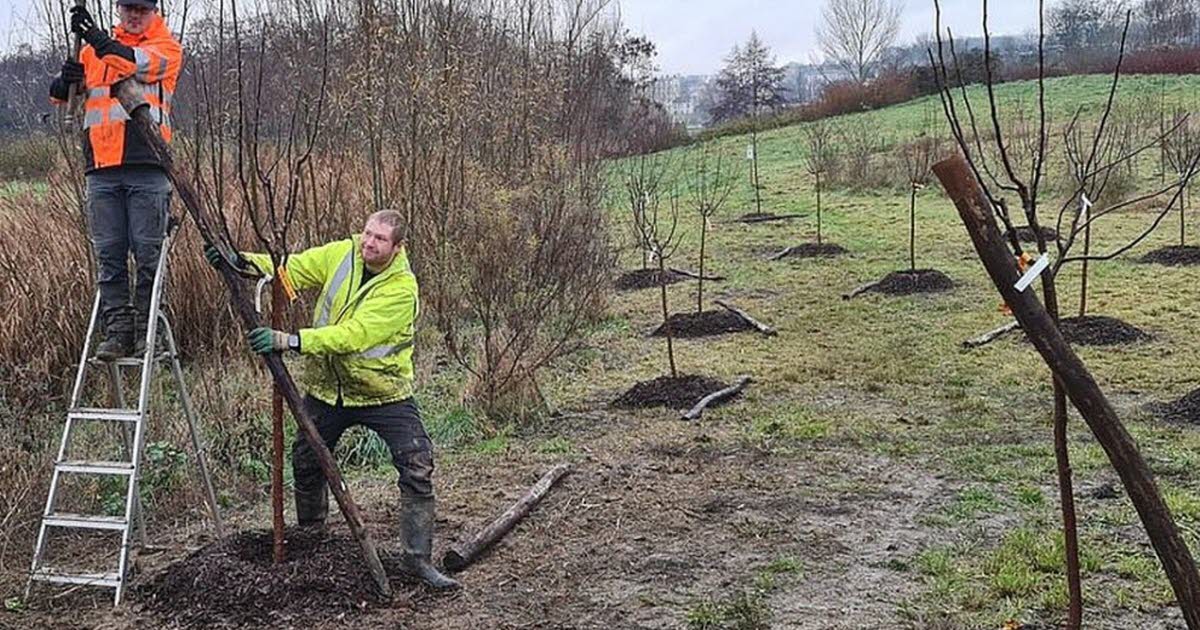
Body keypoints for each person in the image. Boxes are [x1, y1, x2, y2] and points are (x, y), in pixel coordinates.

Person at [205, 210, 459, 590]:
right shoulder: (343, 253)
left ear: (398, 247)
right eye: (367, 233)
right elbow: (293, 269)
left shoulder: (402, 289)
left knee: (416, 466)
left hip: (383, 392)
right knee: (306, 461)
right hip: (328, 390)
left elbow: (353, 335)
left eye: (380, 239)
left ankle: (416, 560)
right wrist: (239, 261)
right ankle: (313, 544)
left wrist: (291, 341)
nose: (369, 243)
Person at [49, 0, 182, 360]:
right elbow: (61, 97)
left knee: (147, 253)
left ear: (153, 12)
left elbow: (130, 62)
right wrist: (67, 79)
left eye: (141, 9)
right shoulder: (95, 51)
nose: (134, 16)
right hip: (101, 168)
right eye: (128, 9)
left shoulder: (166, 48)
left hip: (147, 165)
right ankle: (118, 331)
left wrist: (93, 37)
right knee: (109, 256)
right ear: (120, 10)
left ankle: (147, 333)